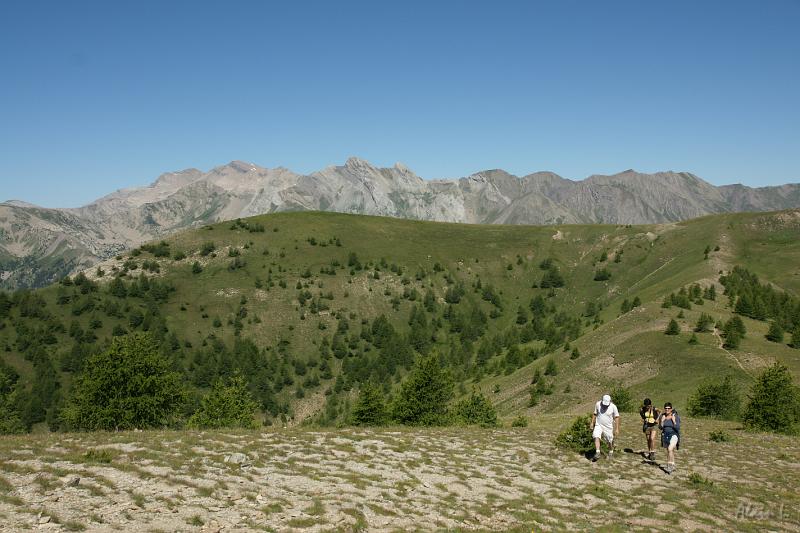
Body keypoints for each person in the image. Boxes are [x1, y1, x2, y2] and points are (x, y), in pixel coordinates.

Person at [590, 394, 620, 461]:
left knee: (609, 440)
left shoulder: (613, 407)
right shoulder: (598, 404)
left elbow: (617, 417)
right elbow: (595, 413)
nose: (605, 405)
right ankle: (597, 452)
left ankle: (611, 451)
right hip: (599, 424)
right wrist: (592, 422)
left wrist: (617, 428)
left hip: (608, 426)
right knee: (596, 435)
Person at [658, 402, 681, 473]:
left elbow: (677, 428)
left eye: (669, 408)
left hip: (674, 434)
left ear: (671, 409)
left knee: (670, 448)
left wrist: (674, 421)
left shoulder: (675, 416)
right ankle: (673, 464)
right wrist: (662, 421)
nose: (667, 409)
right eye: (666, 408)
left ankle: (669, 465)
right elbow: (660, 428)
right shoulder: (663, 416)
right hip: (665, 435)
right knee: (669, 450)